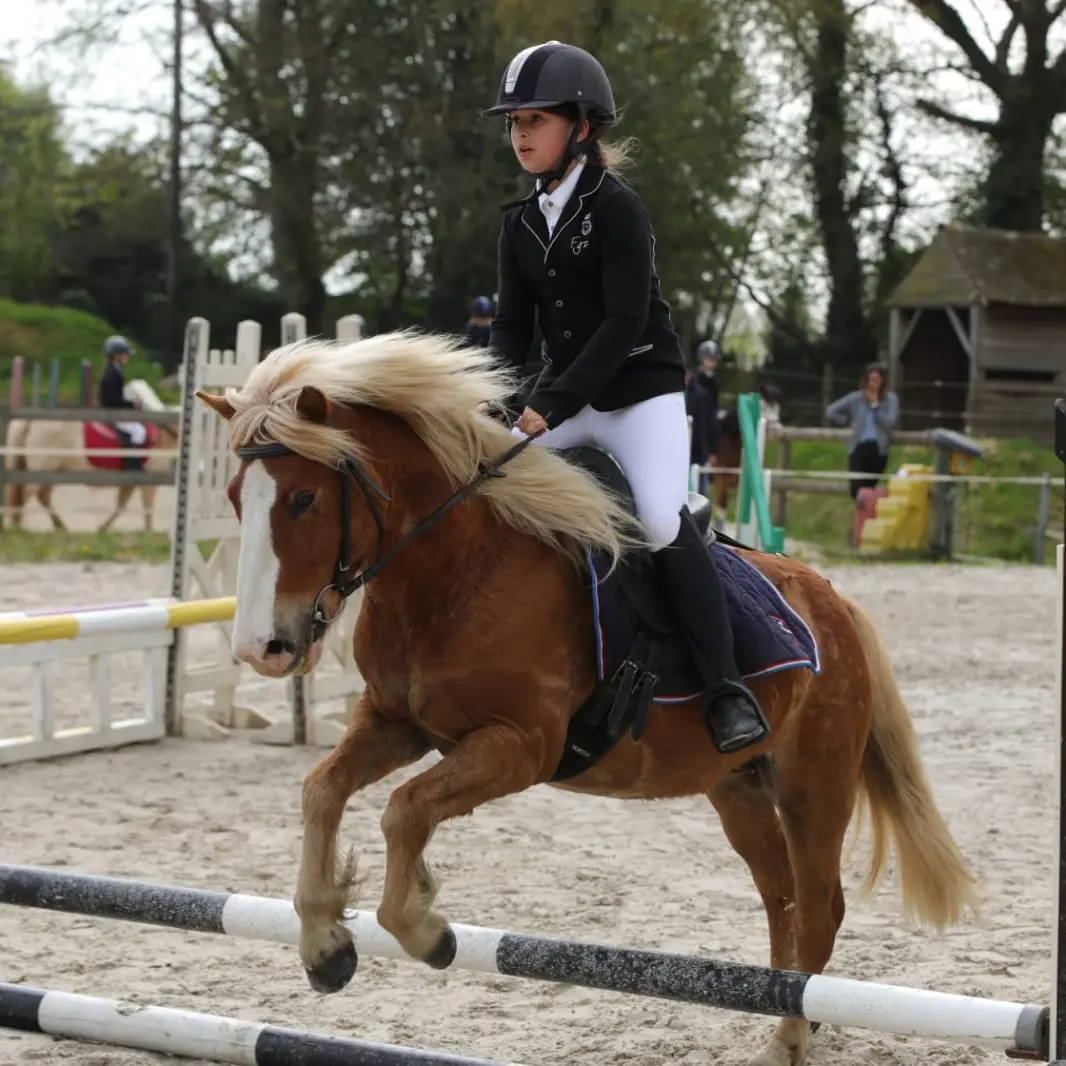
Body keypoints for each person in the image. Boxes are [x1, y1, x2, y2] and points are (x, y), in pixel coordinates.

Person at [483, 40, 769, 755]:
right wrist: (489, 399)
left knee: (659, 521)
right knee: (486, 488)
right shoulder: (518, 224)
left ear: (581, 126)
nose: (520, 132)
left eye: (536, 119)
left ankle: (727, 688)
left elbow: (624, 322)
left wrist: (552, 397)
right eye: (514, 119)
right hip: (566, 398)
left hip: (641, 397)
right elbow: (514, 326)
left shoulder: (616, 209)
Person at [824, 363, 900, 500]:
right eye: (871, 379)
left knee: (870, 488)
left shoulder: (891, 400)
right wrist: (847, 421)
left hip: (879, 448)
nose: (874, 383)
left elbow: (890, 423)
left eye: (877, 379)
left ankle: (866, 518)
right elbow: (831, 411)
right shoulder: (856, 398)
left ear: (883, 381)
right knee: (856, 488)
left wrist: (876, 407)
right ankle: (859, 517)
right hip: (858, 447)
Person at [99, 335, 147, 470]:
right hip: (112, 413)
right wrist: (132, 404)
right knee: (139, 431)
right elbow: (112, 400)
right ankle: (132, 465)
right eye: (125, 354)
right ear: (116, 355)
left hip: (114, 410)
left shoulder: (114, 371)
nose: (127, 357)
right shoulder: (112, 374)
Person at [686, 339, 721, 497]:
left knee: (702, 484)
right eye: (709, 359)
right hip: (693, 435)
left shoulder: (713, 383)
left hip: (706, 437)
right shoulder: (694, 382)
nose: (711, 363)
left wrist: (713, 447)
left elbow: (712, 414)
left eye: (714, 359)